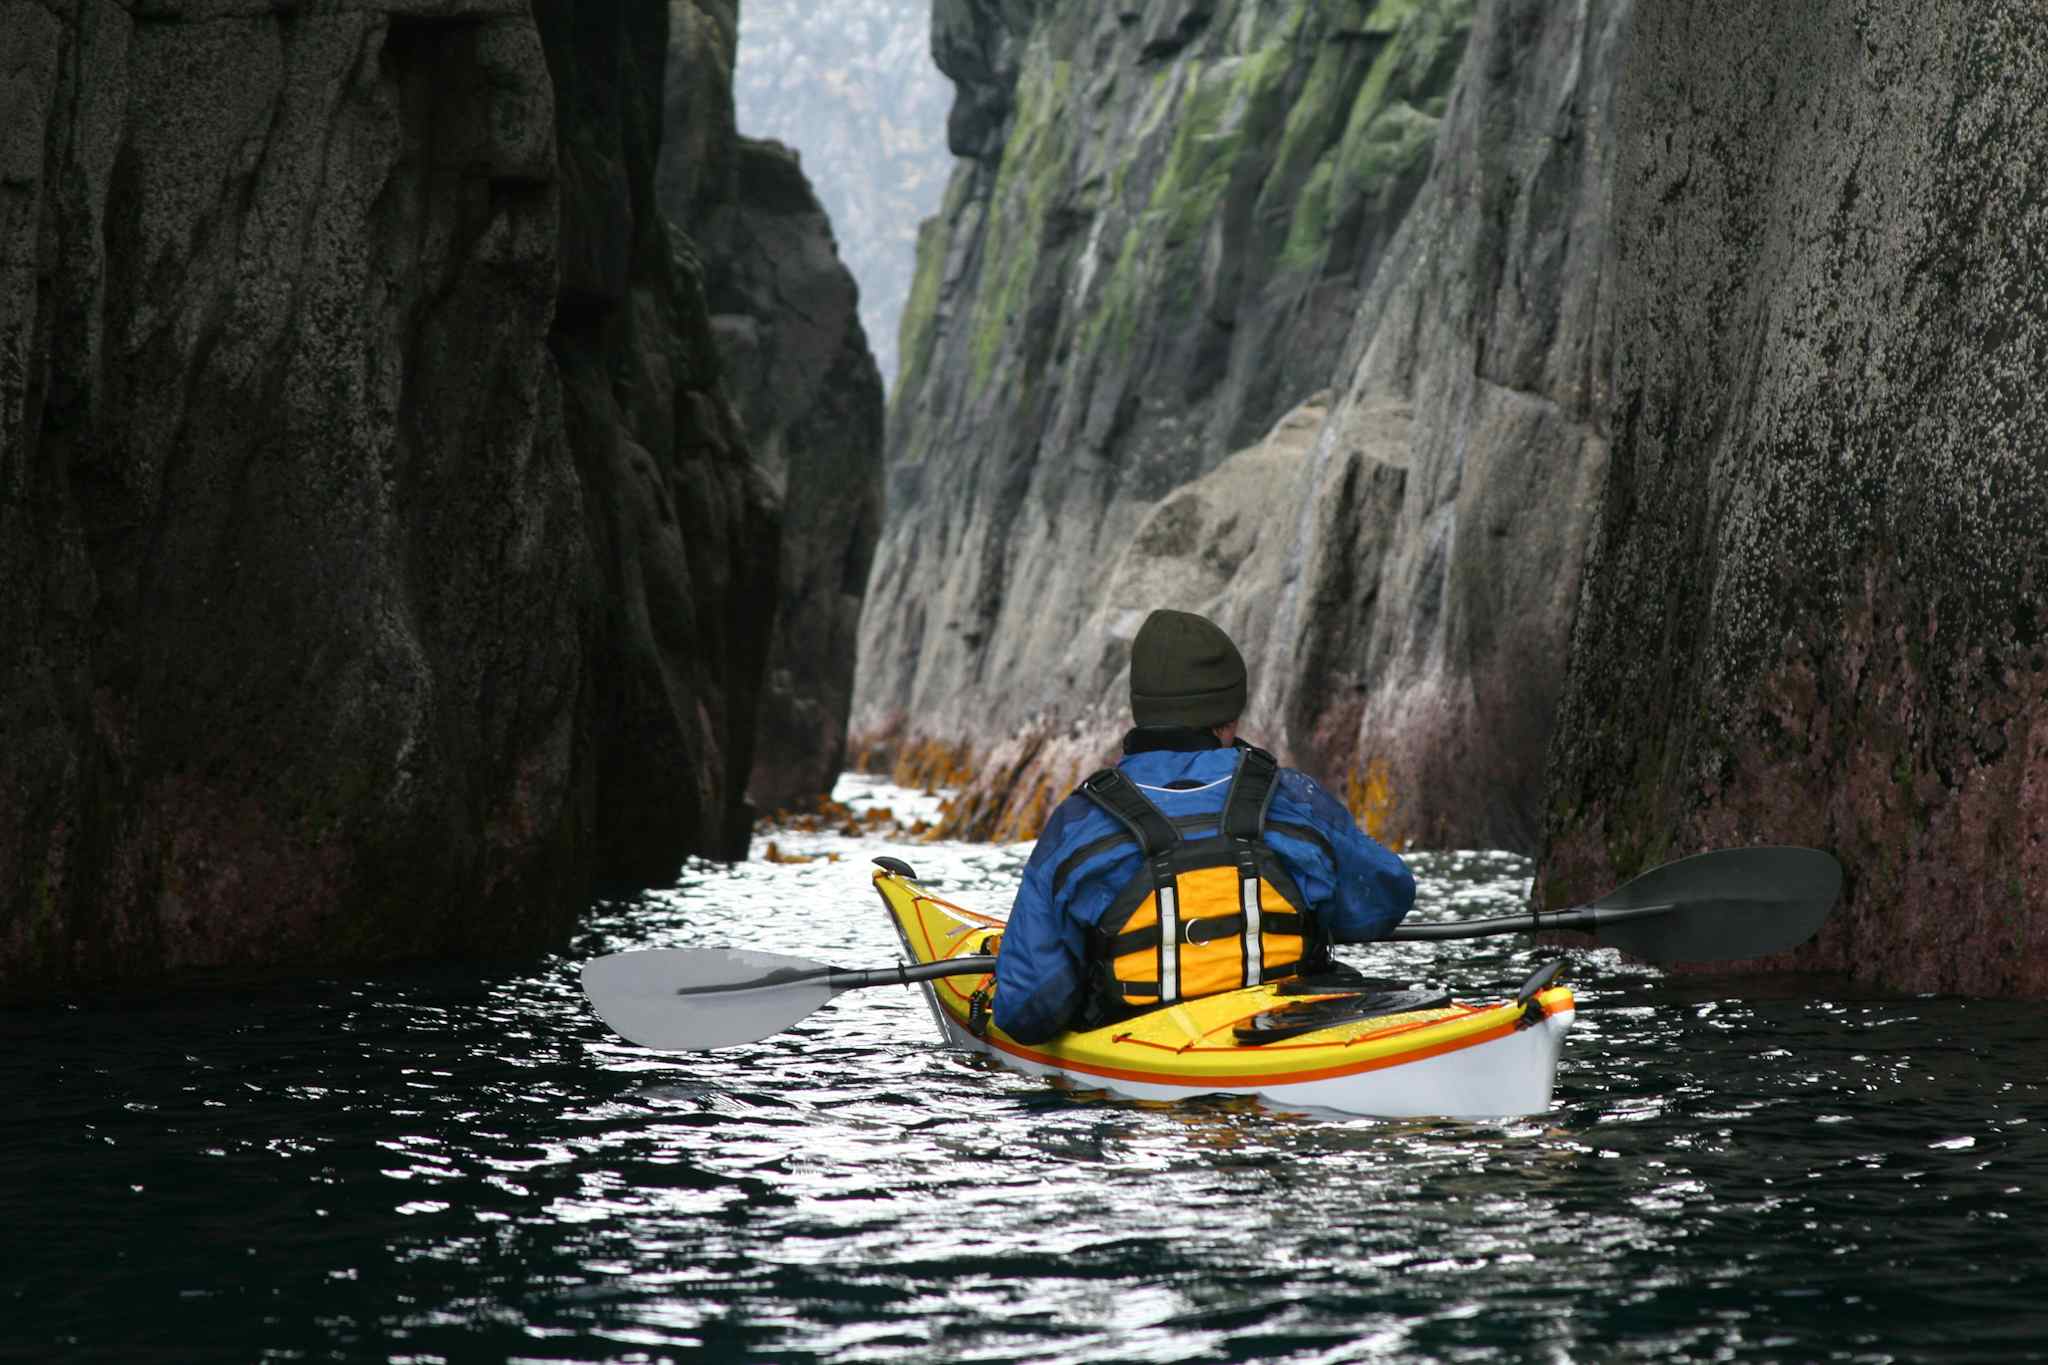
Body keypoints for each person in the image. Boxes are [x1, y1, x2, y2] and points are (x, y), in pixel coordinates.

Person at [992, 609, 1416, 1044]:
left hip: (1141, 1076)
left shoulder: (1077, 821)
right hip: (1289, 1038)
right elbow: (1385, 900)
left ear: (1143, 711)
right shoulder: (1291, 797)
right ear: (1230, 715)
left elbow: (1027, 1008)